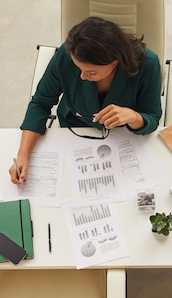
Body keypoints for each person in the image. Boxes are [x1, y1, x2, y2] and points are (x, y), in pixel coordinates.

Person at [10, 16, 163, 184]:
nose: (82, 76)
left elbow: (152, 117)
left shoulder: (149, 64)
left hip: (124, 136)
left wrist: (133, 117)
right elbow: (40, 103)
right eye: (78, 68)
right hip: (75, 129)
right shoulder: (67, 55)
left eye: (91, 72)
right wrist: (23, 155)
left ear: (115, 62)